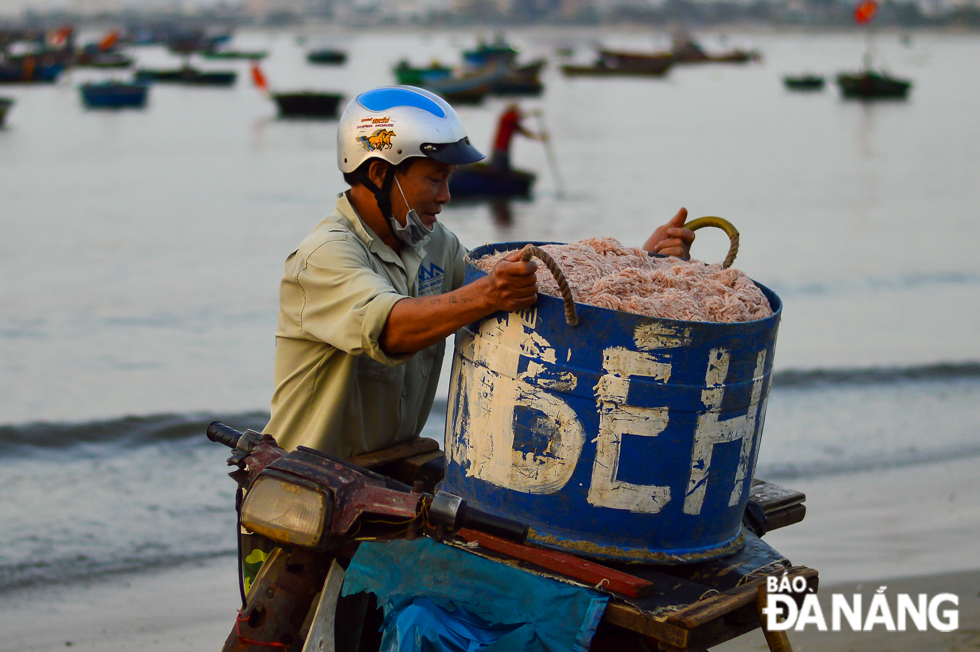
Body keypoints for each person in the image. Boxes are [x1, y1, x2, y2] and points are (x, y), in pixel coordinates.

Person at [263, 86, 694, 459]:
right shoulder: (324, 256)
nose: (446, 195)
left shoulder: (434, 244)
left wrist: (641, 263)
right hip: (306, 487)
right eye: (435, 179)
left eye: (450, 179)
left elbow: (527, 287)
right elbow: (391, 328)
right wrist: (487, 295)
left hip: (389, 466)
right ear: (379, 173)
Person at [488, 102, 545, 174]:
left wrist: (539, 137)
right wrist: (533, 113)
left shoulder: (513, 122)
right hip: (499, 149)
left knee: (504, 171)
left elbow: (525, 133)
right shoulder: (506, 117)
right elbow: (519, 116)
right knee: (497, 171)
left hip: (505, 151)